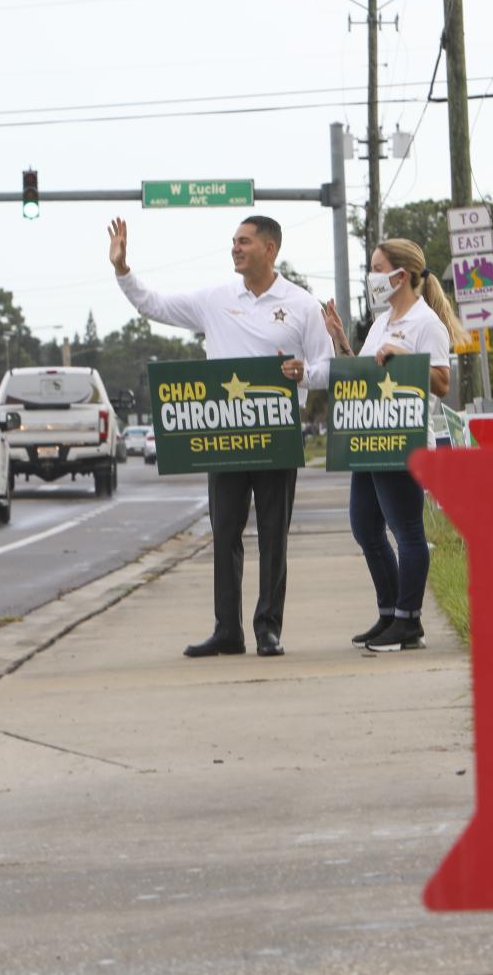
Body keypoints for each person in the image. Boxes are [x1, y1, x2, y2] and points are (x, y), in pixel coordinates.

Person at [108, 215, 332, 658]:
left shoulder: (303, 305)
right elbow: (153, 305)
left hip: (274, 436)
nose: (235, 249)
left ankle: (268, 628)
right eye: (233, 242)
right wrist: (122, 269)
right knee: (225, 531)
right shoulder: (214, 299)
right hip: (224, 436)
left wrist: (303, 372)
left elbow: (325, 369)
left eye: (244, 242)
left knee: (273, 533)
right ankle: (227, 630)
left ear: (270, 249)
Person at [339, 238, 467, 652]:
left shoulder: (425, 323)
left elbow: (443, 383)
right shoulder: (381, 321)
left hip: (404, 437)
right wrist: (342, 343)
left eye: (378, 269)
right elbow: (365, 373)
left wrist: (403, 359)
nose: (372, 276)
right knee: (365, 529)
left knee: (406, 530)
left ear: (402, 274)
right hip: (370, 435)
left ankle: (409, 622)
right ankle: (390, 613)